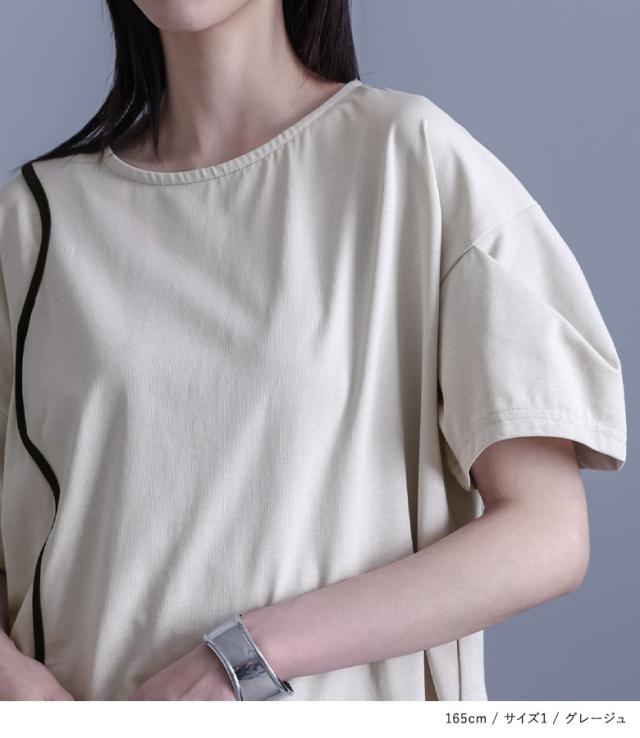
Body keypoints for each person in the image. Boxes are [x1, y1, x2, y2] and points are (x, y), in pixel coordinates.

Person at [0, 0, 627, 701]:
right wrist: (19, 690)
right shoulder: (33, 222)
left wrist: (244, 659)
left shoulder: (407, 161)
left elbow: (547, 534)